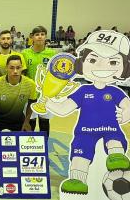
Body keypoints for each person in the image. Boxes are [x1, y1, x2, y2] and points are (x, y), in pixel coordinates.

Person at [46, 30, 130, 194]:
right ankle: (78, 179)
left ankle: (117, 155)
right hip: (84, 131)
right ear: (81, 64)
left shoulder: (114, 91)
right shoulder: (83, 90)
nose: (101, 67)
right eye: (93, 60)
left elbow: (127, 104)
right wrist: (49, 103)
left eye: (113, 62)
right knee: (80, 154)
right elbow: (64, 109)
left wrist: (126, 113)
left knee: (114, 141)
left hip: (110, 128)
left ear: (125, 68)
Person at [22, 26, 56, 137]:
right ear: (32, 37)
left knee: (44, 121)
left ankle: (44, 146)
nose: (40, 37)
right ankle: (29, 146)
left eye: (42, 34)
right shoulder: (25, 53)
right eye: (37, 34)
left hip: (46, 95)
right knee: (29, 121)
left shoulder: (52, 54)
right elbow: (22, 74)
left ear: (45, 37)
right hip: (29, 94)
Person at [0, 55, 36, 131]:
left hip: (18, 120)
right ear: (6, 68)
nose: (15, 71)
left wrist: (26, 122)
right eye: (12, 68)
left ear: (22, 68)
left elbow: (31, 103)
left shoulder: (30, 84)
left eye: (18, 68)